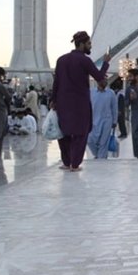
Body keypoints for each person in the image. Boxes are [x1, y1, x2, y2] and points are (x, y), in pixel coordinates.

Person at [50, 31, 110, 171]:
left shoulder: (61, 60)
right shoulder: (84, 60)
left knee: (64, 132)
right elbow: (99, 77)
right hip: (80, 103)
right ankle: (75, 164)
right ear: (81, 44)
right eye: (89, 44)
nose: (90, 47)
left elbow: (56, 82)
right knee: (80, 132)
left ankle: (66, 162)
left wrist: (53, 99)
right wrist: (106, 63)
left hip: (63, 102)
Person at [84, 79, 116, 159]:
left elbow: (114, 108)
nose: (104, 82)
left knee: (103, 142)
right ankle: (98, 155)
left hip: (107, 120)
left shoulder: (111, 93)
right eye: (102, 80)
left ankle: (101, 160)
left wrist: (115, 121)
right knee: (89, 140)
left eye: (106, 80)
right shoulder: (91, 92)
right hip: (93, 120)